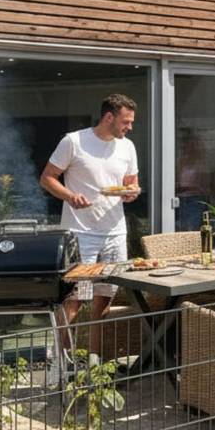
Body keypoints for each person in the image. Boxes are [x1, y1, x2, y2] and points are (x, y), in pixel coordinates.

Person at [40, 93, 141, 358]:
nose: (129, 127)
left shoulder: (127, 147)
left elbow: (131, 181)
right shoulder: (74, 141)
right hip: (81, 234)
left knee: (104, 301)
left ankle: (94, 360)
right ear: (109, 117)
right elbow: (48, 178)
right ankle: (60, 362)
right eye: (126, 122)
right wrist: (70, 195)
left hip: (115, 233)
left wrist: (132, 191)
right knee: (75, 299)